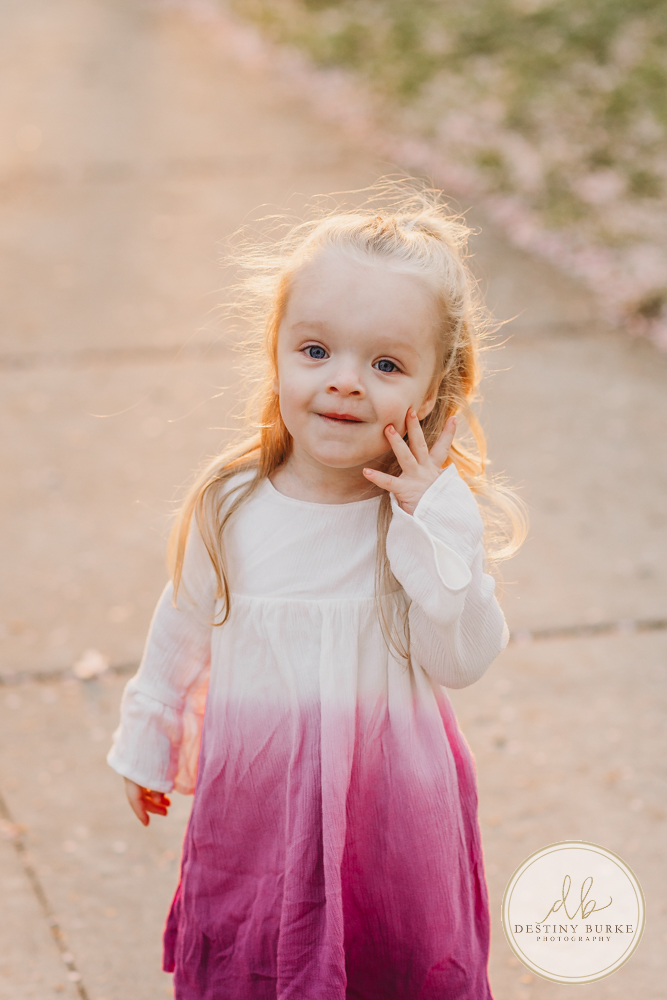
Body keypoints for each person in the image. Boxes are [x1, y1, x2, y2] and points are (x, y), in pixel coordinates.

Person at [107, 182, 526, 1000]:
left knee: (390, 958)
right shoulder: (230, 506)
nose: (342, 383)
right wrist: (149, 730)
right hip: (258, 806)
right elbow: (186, 619)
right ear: (276, 351)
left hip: (392, 814)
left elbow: (464, 656)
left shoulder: (412, 525)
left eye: (385, 364)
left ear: (436, 391)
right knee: (260, 950)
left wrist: (434, 521)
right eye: (314, 351)